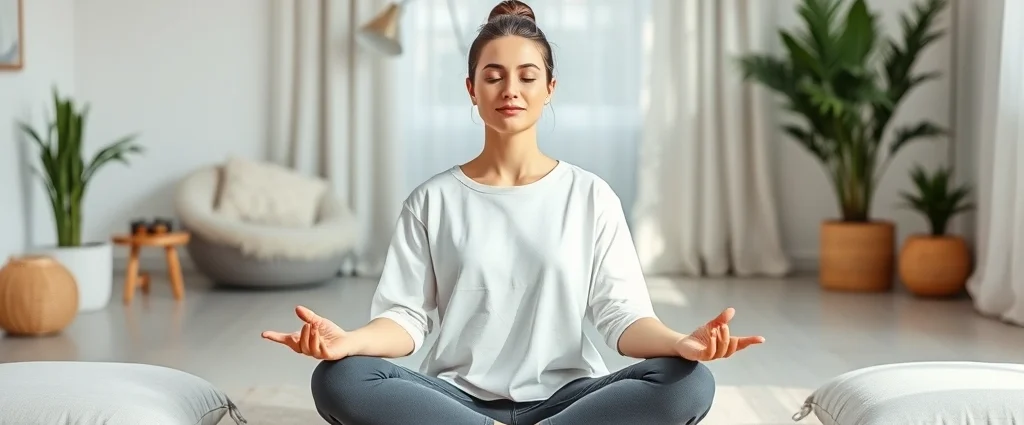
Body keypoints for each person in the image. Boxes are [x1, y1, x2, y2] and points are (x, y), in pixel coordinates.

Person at [262, 1, 764, 424]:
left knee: (687, 382)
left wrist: (683, 344)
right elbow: (406, 320)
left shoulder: (590, 196)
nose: (510, 90)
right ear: (471, 89)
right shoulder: (432, 200)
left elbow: (622, 318)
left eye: (527, 76)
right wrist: (347, 341)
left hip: (569, 401)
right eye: (493, 76)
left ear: (550, 88)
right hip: (453, 402)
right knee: (340, 378)